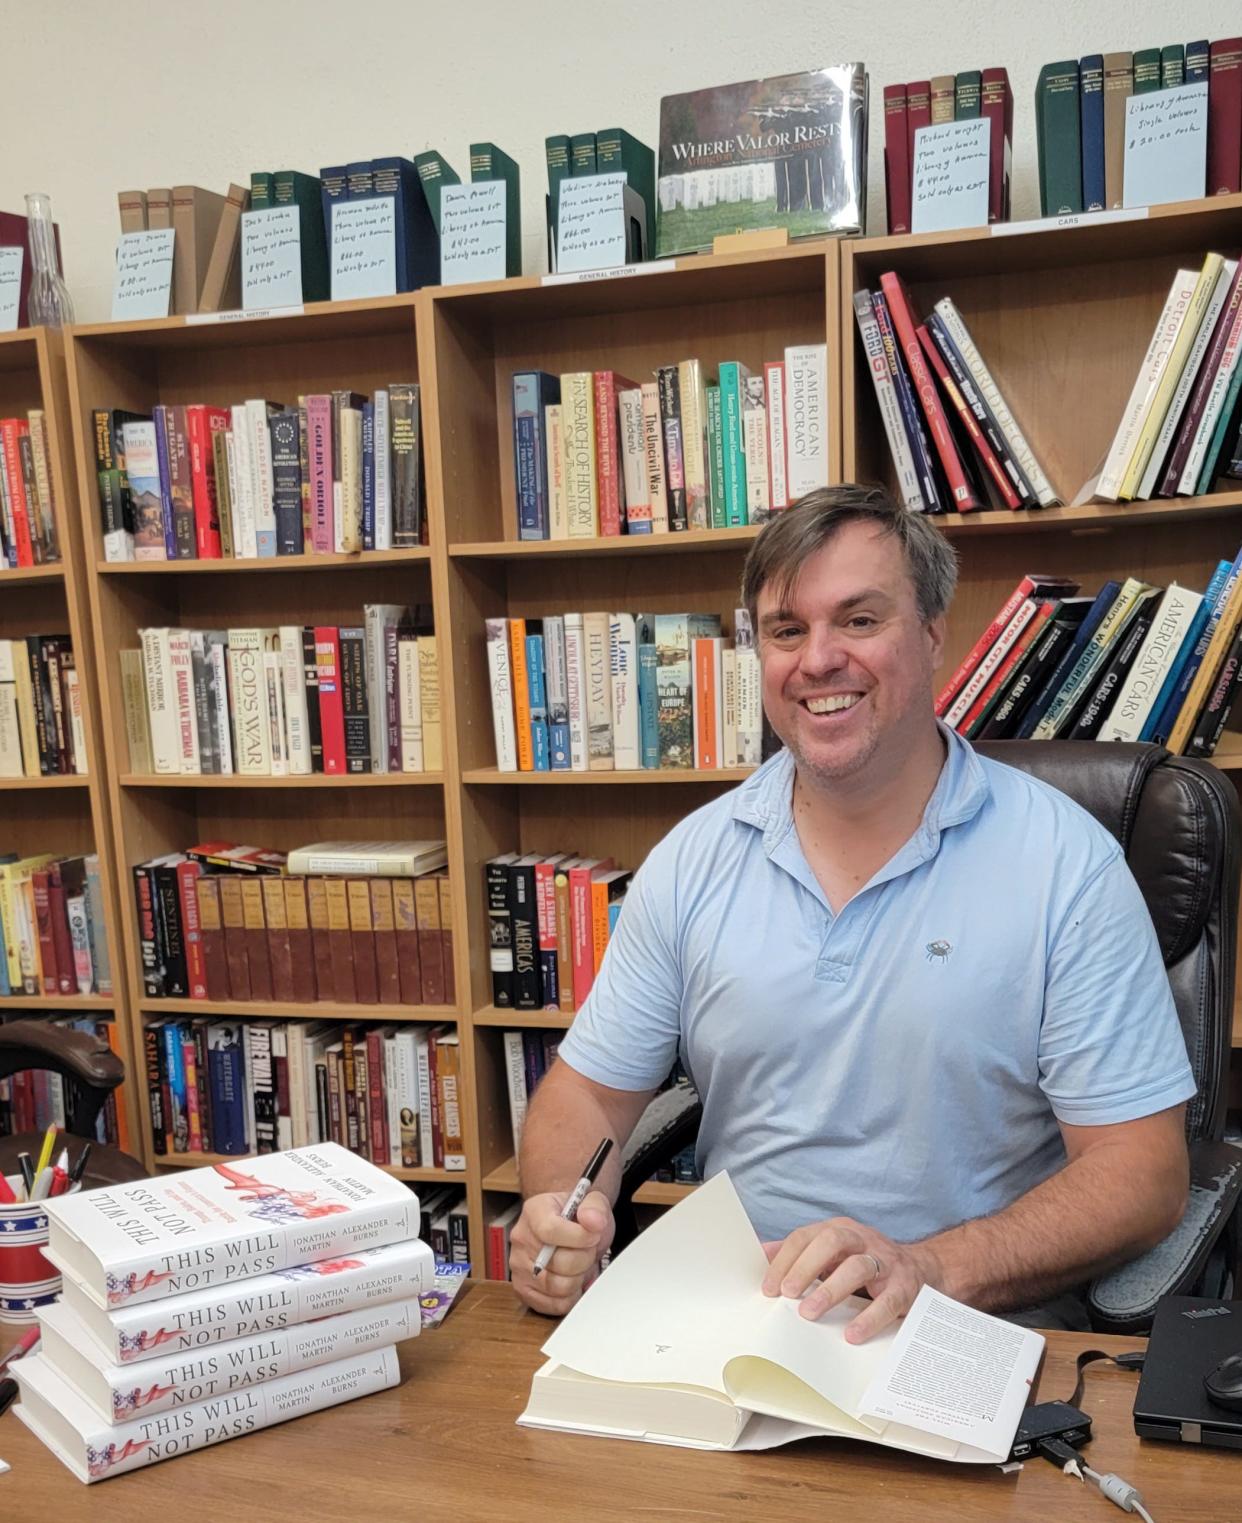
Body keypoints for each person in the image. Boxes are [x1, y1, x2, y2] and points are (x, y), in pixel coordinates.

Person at [509, 486, 1194, 1340]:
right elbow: (588, 1093)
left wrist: (931, 1266)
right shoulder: (693, 859)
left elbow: (1143, 1170)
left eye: (860, 620)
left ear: (935, 633)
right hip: (732, 1325)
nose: (819, 660)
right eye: (786, 630)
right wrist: (557, 1214)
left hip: (968, 1321)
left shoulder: (1066, 866)